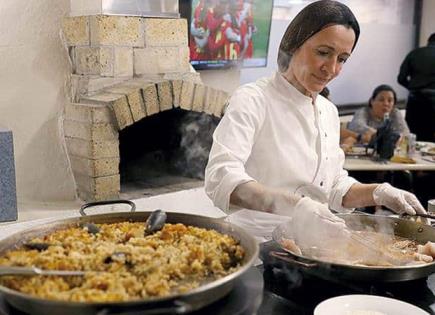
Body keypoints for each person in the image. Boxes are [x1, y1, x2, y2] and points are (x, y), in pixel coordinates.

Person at [204, 0, 426, 246]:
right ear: (293, 44)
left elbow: (333, 187)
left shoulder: (327, 111)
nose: (331, 69)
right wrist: (298, 206)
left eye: (342, 59)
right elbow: (221, 178)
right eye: (323, 52)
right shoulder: (253, 99)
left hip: (313, 245)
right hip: (256, 245)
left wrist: (378, 192)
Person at [398, 33, 435, 142]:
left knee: (412, 136)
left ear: (428, 42)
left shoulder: (414, 53)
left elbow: (401, 78)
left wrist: (413, 88)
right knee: (430, 141)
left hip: (415, 101)